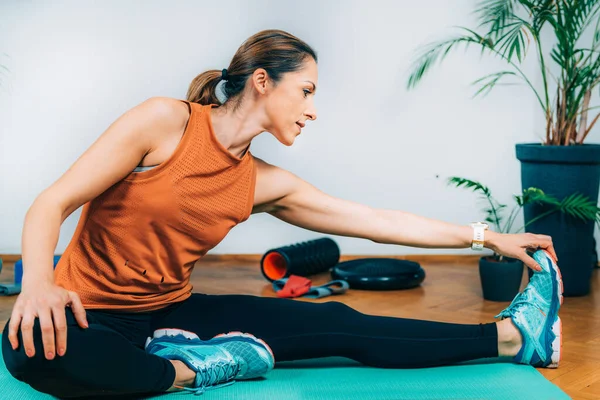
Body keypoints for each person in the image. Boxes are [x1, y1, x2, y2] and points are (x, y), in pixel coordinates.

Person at [1, 29, 563, 398]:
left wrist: (488, 237)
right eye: (307, 92)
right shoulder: (162, 123)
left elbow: (377, 221)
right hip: (86, 311)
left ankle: (513, 339)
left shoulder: (265, 182)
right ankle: (192, 369)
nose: (313, 111)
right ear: (264, 82)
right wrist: (40, 287)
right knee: (25, 351)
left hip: (171, 313)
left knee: (342, 325)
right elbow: (53, 201)